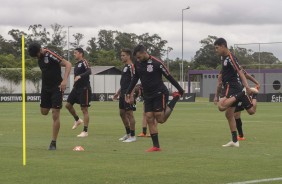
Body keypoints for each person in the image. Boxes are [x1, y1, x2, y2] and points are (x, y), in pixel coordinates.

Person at [125, 44, 184, 152]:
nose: (138, 59)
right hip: (147, 95)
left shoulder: (157, 63)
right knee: (149, 117)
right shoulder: (138, 64)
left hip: (159, 93)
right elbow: (134, 79)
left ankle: (175, 98)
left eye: (139, 57)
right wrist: (128, 92)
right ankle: (156, 146)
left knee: (160, 119)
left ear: (144, 52)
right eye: (136, 58)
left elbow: (169, 76)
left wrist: (180, 89)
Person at [28, 42, 71, 150]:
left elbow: (68, 64)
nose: (37, 57)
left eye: (37, 54)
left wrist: (64, 81)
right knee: (44, 112)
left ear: (40, 50)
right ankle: (45, 104)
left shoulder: (50, 54)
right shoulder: (38, 57)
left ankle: (53, 143)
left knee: (55, 114)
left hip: (57, 88)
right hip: (45, 88)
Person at [214, 38, 256, 148]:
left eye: (217, 48)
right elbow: (221, 77)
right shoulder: (223, 58)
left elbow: (240, 72)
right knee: (246, 112)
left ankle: (243, 94)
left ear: (223, 46)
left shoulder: (231, 57)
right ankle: (235, 141)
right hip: (233, 88)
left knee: (221, 106)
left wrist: (246, 87)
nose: (216, 50)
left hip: (233, 87)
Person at [214, 69, 260, 141]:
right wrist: (256, 83)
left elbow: (247, 75)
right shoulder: (225, 69)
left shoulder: (236, 67)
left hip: (239, 93)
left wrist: (256, 83)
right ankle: (238, 137)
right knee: (233, 114)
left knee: (241, 113)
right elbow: (219, 84)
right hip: (233, 94)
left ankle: (254, 95)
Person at [65, 48, 92, 138]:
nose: (74, 54)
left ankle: (85, 131)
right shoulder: (76, 64)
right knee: (68, 105)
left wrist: (80, 76)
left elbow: (89, 71)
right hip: (76, 89)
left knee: (84, 110)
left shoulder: (84, 62)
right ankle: (77, 120)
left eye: (75, 53)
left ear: (81, 54)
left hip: (84, 89)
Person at [113, 48, 137, 143]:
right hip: (123, 93)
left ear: (128, 56)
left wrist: (131, 95)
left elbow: (134, 81)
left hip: (128, 94)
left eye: (123, 55)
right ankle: (128, 134)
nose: (121, 57)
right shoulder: (125, 67)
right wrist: (118, 92)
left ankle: (133, 135)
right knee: (122, 113)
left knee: (130, 114)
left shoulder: (132, 66)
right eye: (121, 55)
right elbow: (124, 82)